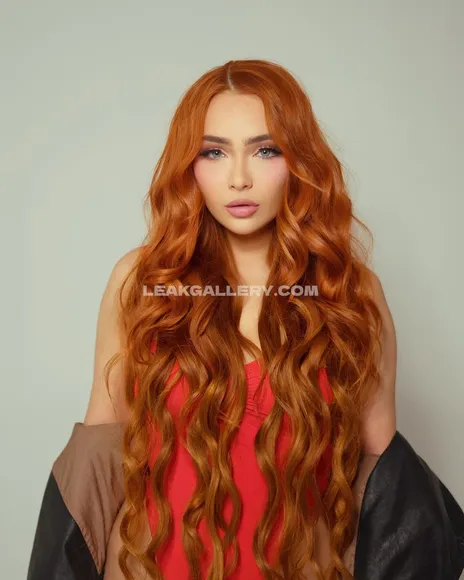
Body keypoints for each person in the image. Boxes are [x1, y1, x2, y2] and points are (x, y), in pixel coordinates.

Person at [27, 59, 464, 580]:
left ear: (298, 160)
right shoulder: (142, 282)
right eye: (214, 152)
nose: (238, 178)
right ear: (189, 166)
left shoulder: (349, 294)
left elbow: (380, 479)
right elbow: (99, 455)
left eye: (265, 150)